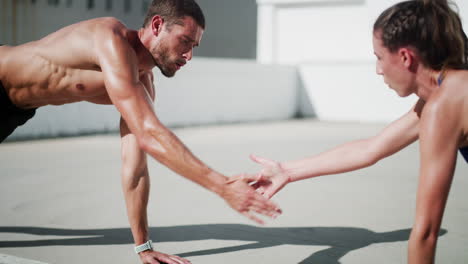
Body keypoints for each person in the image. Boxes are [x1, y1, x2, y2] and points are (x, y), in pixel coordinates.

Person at [0, 0, 281, 263]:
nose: (189, 55)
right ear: (157, 26)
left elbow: (135, 168)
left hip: (16, 110)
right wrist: (222, 186)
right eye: (185, 41)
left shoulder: (142, 83)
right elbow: (150, 133)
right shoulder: (109, 38)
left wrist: (143, 246)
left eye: (194, 46)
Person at [230, 0, 468, 263]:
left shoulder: (444, 105)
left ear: (405, 57)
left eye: (379, 57)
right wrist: (287, 171)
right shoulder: (448, 91)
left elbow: (425, 233)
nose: (378, 70)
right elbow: (370, 148)